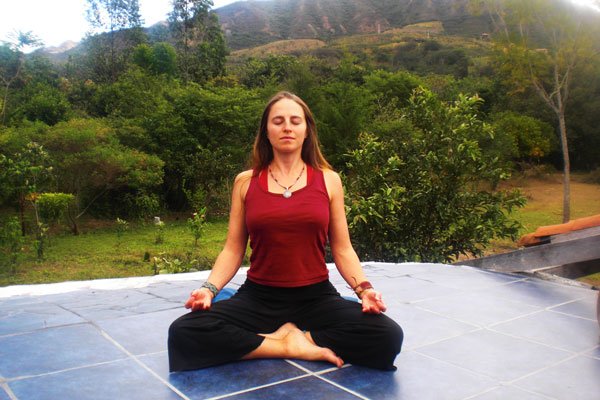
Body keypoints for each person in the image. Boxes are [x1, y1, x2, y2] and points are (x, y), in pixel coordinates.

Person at [168, 91, 403, 372]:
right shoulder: (245, 182)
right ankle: (287, 344)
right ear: (266, 132)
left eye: (295, 121)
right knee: (184, 331)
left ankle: (291, 339)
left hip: (316, 297)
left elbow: (342, 248)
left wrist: (364, 290)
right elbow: (233, 249)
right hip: (258, 297)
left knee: (387, 335)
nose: (287, 127)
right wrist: (207, 290)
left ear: (307, 131)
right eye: (278, 121)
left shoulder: (329, 180)